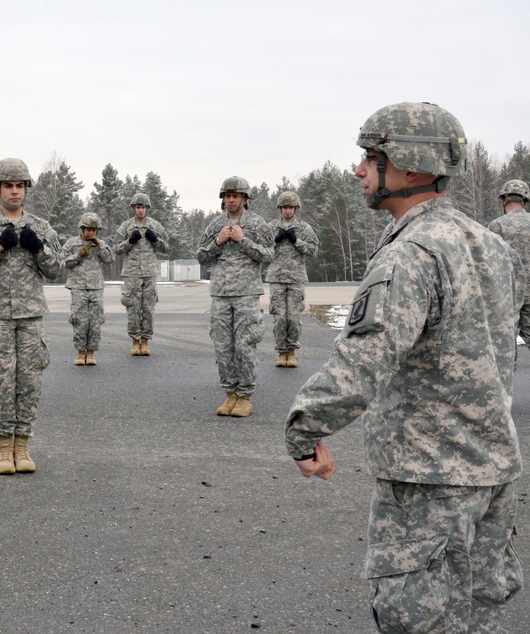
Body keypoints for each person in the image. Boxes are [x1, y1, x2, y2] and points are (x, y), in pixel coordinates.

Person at [285, 102, 523, 632]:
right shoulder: (492, 246)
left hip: (429, 485)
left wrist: (303, 432)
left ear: (412, 167)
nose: (359, 170)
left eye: (372, 157)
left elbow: (363, 362)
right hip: (491, 473)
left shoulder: (409, 254)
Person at [0, 158, 62, 474]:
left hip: (30, 315)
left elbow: (57, 270)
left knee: (29, 381)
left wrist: (39, 249)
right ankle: (4, 448)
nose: (14, 191)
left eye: (19, 186)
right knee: (3, 381)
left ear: (25, 189)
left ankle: (24, 446)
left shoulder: (41, 227)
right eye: (8, 186)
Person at [196, 177, 273, 417]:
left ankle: (245, 396)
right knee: (223, 346)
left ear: (244, 199)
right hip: (220, 293)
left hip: (246, 293)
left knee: (244, 345)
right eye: (227, 196)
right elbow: (201, 256)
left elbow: (269, 256)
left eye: (235, 196)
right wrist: (218, 241)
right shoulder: (215, 225)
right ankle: (230, 394)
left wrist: (243, 240)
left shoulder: (258, 224)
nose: (231, 200)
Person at [265, 191, 318, 368]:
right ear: (280, 208)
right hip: (277, 278)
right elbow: (260, 249)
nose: (288, 211)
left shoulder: (304, 228)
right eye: (285, 207)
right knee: (280, 318)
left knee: (293, 318)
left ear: (296, 208)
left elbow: (313, 250)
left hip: (296, 278)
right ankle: (281, 352)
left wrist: (297, 241)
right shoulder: (271, 227)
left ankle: (292, 351)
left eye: (291, 207)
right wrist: (276, 240)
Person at [112, 193, 169, 356]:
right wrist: (129, 242)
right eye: (138, 207)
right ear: (133, 208)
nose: (141, 211)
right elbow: (116, 249)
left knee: (148, 308)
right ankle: (135, 342)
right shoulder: (125, 227)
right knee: (133, 308)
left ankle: (145, 341)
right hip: (132, 273)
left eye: (143, 207)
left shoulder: (155, 226)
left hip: (150, 272)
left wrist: (155, 240)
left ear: (148, 209)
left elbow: (166, 248)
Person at [62, 212, 114, 365]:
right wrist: (78, 255)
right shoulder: (72, 243)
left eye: (94, 230)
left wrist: (100, 246)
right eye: (88, 229)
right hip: (78, 287)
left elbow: (109, 259)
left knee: (95, 321)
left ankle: (91, 353)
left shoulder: (99, 244)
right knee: (79, 320)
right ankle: (80, 353)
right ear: (82, 228)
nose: (90, 232)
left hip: (96, 287)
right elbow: (62, 262)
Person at [488, 179, 530, 350]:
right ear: (525, 201)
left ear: (503, 200)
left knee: (505, 348)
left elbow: (489, 265)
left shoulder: (496, 226)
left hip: (507, 296)